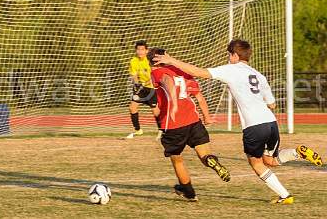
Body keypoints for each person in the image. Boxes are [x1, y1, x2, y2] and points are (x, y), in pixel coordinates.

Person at [153, 39, 323, 204]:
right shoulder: (259, 75)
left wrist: (171, 60)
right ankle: (297, 153)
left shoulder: (231, 70)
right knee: (270, 160)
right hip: (271, 122)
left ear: (234, 55)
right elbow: (272, 104)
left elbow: (199, 72)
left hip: (253, 126)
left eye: (229, 54)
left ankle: (286, 196)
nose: (228, 58)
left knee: (256, 163)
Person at [147, 47, 230, 202]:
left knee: (177, 159)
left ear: (152, 63)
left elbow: (168, 82)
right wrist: (207, 117)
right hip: (193, 121)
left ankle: (190, 193)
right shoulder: (182, 71)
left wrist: (174, 104)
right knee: (204, 154)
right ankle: (212, 161)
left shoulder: (156, 72)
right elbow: (198, 96)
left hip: (173, 125)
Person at [126, 40, 160, 139]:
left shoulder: (150, 60)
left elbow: (154, 74)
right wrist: (136, 84)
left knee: (155, 111)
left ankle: (162, 130)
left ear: (146, 51)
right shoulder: (133, 61)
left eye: (142, 50)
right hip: (141, 87)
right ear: (136, 51)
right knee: (132, 107)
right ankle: (138, 130)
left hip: (151, 88)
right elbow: (134, 75)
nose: (140, 52)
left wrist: (148, 81)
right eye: (138, 50)